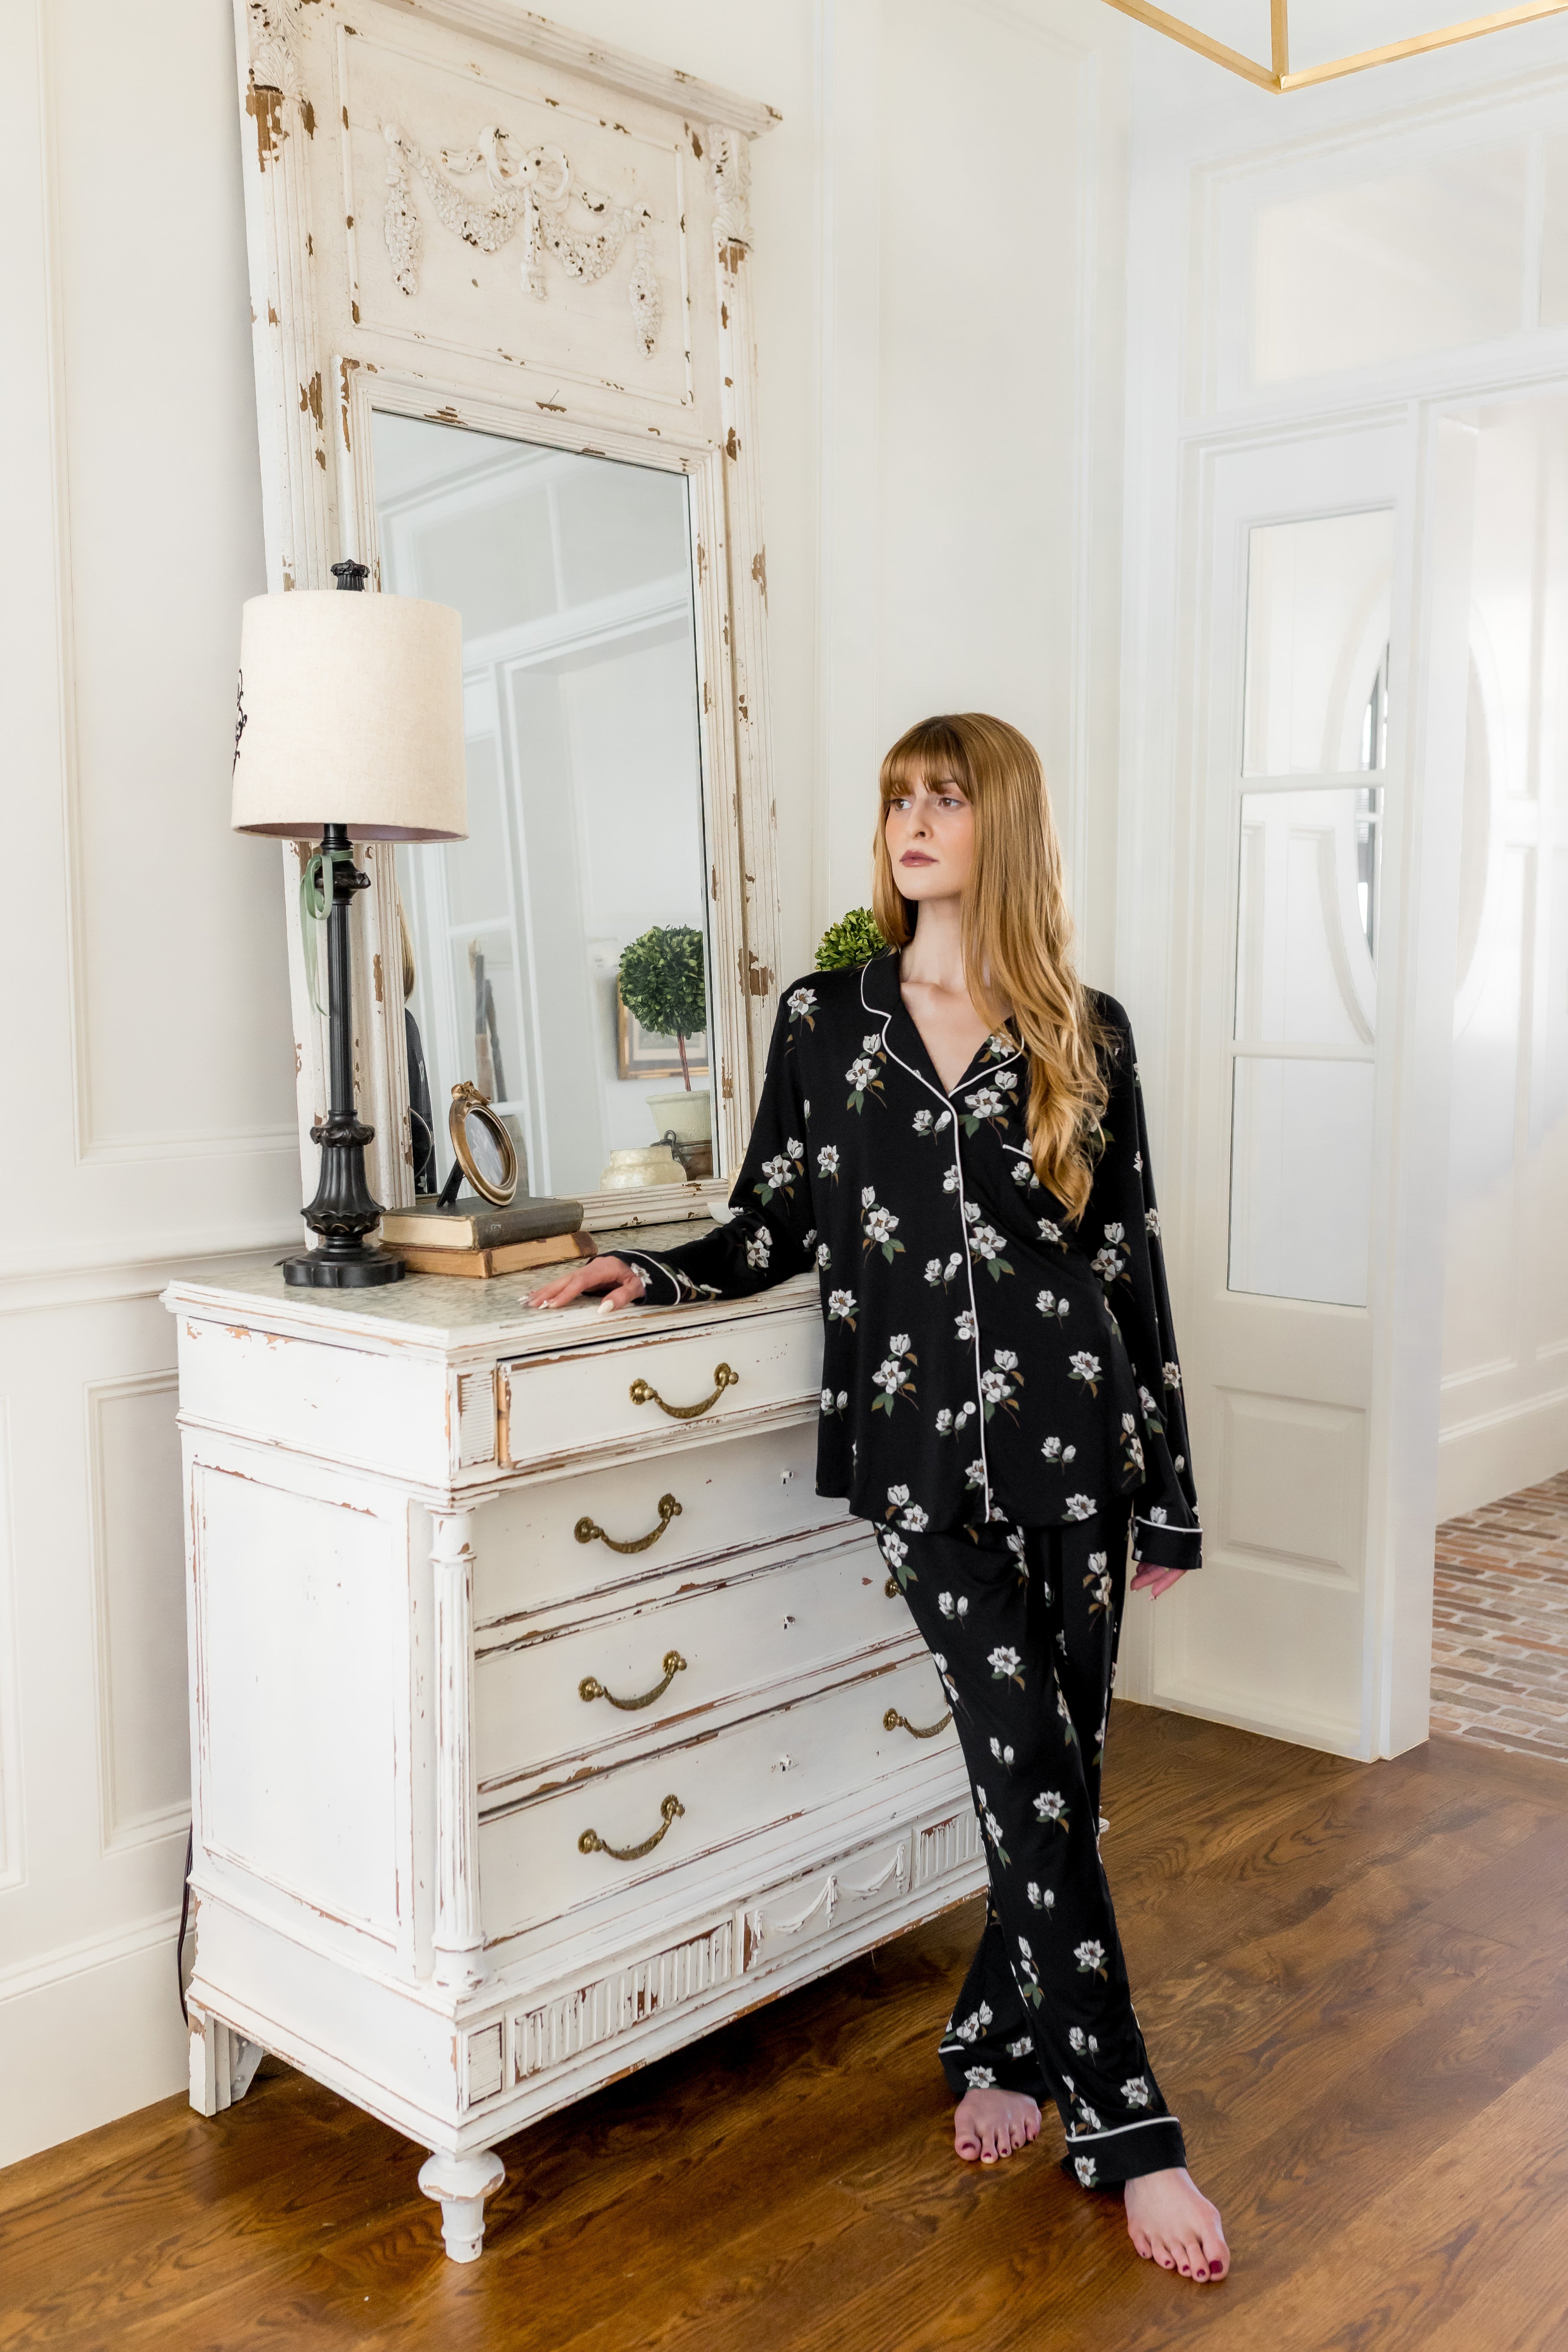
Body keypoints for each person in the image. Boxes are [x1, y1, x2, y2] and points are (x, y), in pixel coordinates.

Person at [531, 713, 1229, 2286]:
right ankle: (1131, 2131)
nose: (915, 823)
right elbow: (771, 1220)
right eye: (900, 800)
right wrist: (649, 1273)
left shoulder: (1087, 1032)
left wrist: (1169, 1495)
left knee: (1053, 1768)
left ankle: (998, 2026)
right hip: (922, 1465)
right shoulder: (829, 1021)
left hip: (1080, 1446)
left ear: (1006, 828)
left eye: (947, 799)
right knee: (1029, 1757)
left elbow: (1133, 1274)